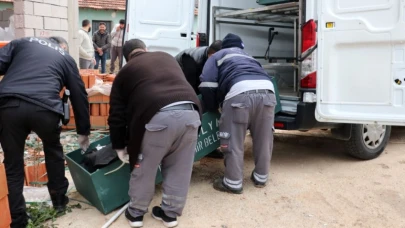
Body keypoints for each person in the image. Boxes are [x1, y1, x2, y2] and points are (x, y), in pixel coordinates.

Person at [108, 39, 202, 228]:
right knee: (180, 168)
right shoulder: (167, 57)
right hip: (192, 114)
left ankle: (135, 214)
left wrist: (119, 146)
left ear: (127, 58)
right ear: (145, 49)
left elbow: (117, 115)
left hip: (157, 117)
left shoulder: (126, 71)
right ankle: (170, 214)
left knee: (145, 167)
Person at [0, 36, 91, 227]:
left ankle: (18, 219)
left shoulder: (22, 42)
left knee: (13, 165)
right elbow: (78, 93)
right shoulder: (65, 57)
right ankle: (59, 202)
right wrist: (83, 131)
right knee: (53, 152)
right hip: (46, 109)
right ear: (62, 46)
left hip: (9, 106)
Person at [199, 33, 277, 194]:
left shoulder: (217, 55)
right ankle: (261, 177)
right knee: (264, 137)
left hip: (240, 94)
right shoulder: (250, 57)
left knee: (233, 139)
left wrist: (213, 107)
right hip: (268, 93)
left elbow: (207, 83)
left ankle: (233, 182)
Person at [175, 41, 224, 159]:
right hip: (180, 81)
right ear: (212, 55)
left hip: (195, 79)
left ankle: (208, 148)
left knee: (207, 107)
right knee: (194, 110)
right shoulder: (190, 59)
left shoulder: (211, 57)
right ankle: (186, 150)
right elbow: (190, 87)